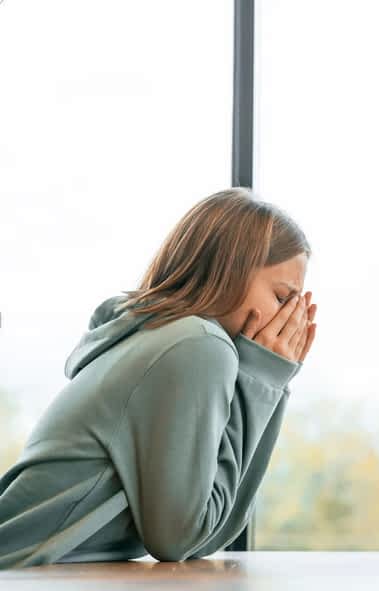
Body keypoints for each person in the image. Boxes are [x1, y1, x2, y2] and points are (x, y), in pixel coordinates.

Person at [0, 188, 317, 569]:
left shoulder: (161, 336)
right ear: (229, 270)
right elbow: (182, 538)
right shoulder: (196, 344)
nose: (293, 319)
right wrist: (263, 378)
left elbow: (210, 532)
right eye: (283, 298)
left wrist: (267, 381)